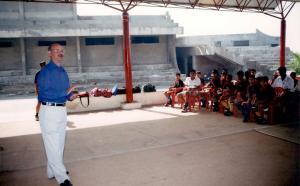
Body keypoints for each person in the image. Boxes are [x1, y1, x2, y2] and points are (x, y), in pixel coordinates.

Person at [37, 43, 77, 186]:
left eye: (62, 51)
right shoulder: (45, 72)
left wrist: (70, 96)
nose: (60, 53)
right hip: (49, 111)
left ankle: (51, 171)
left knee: (58, 144)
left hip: (61, 110)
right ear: (49, 53)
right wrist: (64, 93)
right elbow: (43, 94)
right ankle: (62, 178)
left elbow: (65, 92)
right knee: (53, 144)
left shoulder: (63, 71)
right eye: (56, 50)